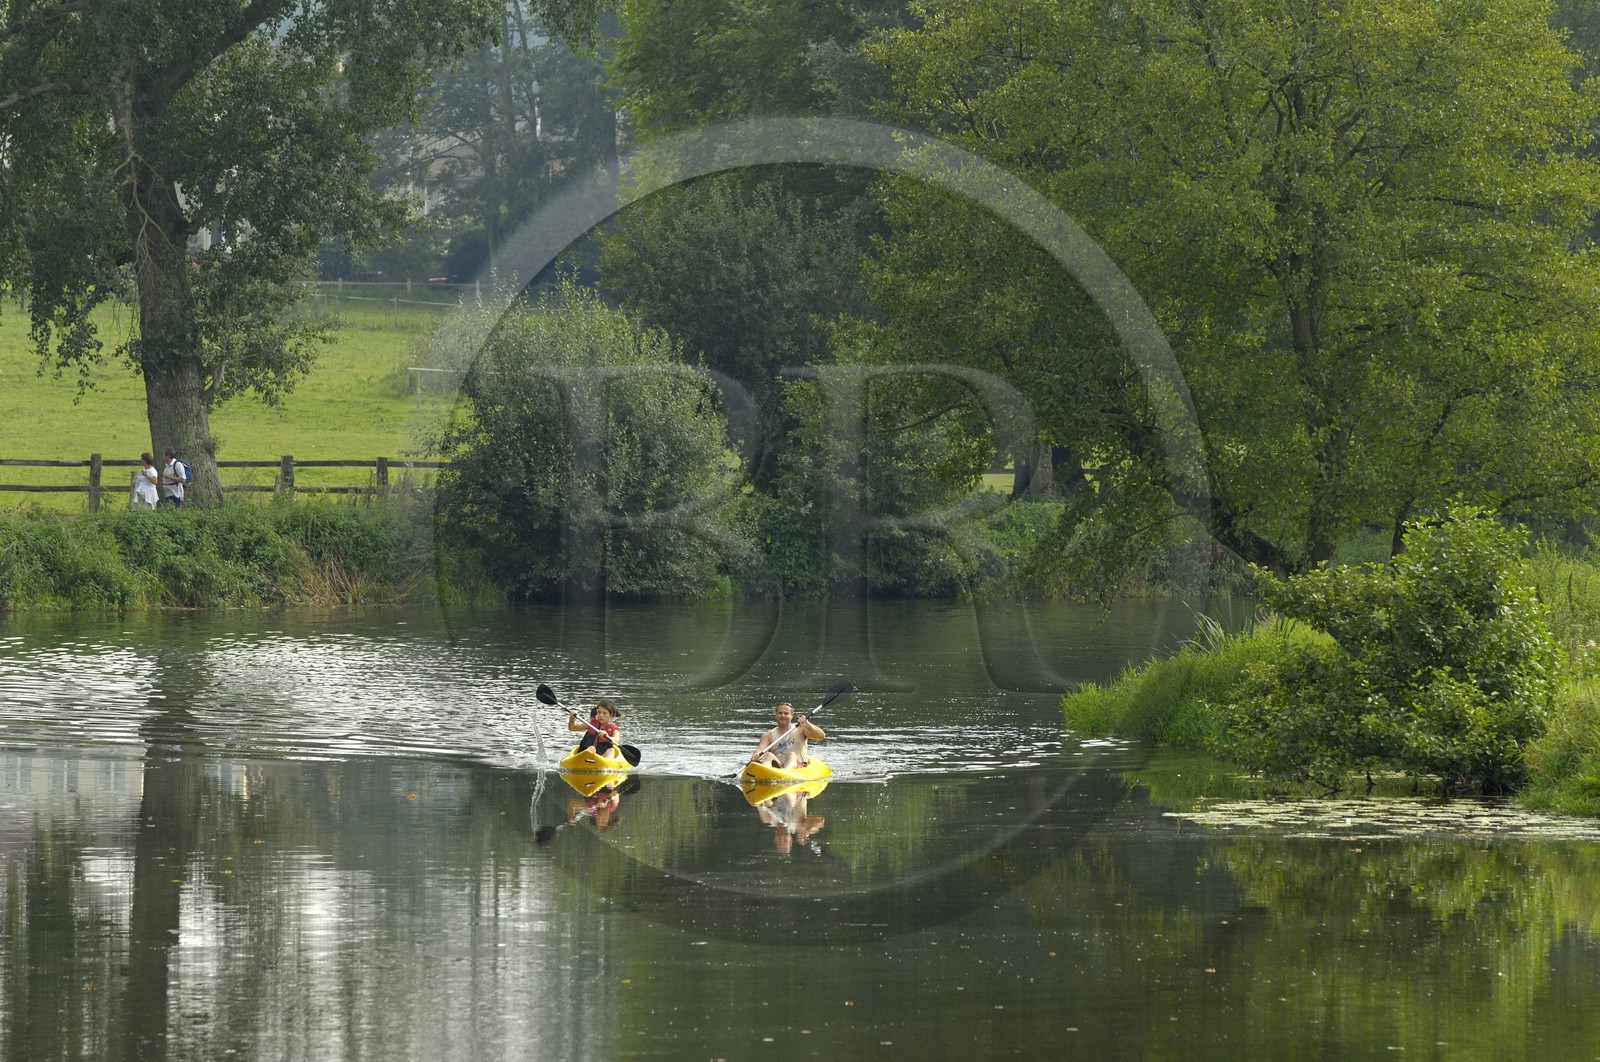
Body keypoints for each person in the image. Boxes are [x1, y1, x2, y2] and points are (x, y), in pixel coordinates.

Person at [751, 702, 825, 769]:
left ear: (792, 715)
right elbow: (760, 749)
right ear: (776, 715)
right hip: (779, 766)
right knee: (769, 755)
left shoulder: (801, 729)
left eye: (786, 713)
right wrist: (756, 754)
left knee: (792, 755)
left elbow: (821, 736)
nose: (783, 716)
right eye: (780, 713)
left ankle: (785, 772)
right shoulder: (767, 735)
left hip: (798, 766)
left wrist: (808, 725)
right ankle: (764, 771)